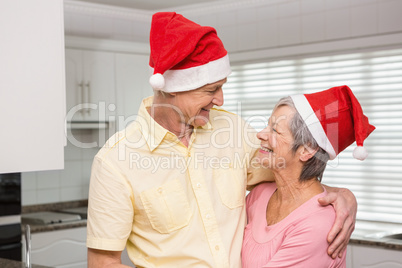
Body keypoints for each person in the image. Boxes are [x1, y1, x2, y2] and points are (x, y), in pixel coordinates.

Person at [86, 12, 357, 268]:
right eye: (210, 90)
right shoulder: (114, 162)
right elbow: (102, 263)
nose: (220, 100)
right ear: (171, 90)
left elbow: (292, 170)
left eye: (222, 87)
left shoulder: (233, 131)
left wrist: (342, 195)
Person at [242, 86, 375, 267]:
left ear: (306, 150)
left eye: (275, 130)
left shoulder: (319, 224)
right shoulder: (259, 194)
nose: (260, 134)